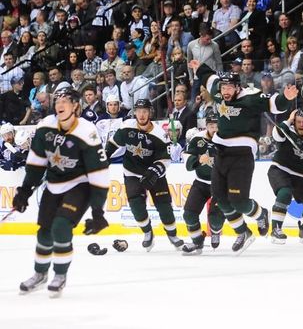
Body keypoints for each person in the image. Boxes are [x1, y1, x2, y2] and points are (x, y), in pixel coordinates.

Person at [191, 63, 297, 253]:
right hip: (221, 152)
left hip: (242, 155)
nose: (225, 91)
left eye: (229, 87)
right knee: (221, 200)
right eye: (223, 88)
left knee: (239, 201)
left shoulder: (251, 97)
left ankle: (261, 213)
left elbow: (274, 103)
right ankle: (243, 232)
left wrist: (285, 98)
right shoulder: (218, 91)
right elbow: (209, 79)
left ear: (238, 87)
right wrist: (199, 67)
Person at [14, 88, 109, 297]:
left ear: (75, 106)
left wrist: (98, 211)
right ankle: (40, 274)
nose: (60, 104)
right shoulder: (45, 126)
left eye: (66, 101)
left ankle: (60, 274)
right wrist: (24, 190)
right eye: (57, 100)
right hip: (54, 185)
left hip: (80, 185)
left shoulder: (87, 132)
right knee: (44, 233)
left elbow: (99, 173)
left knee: (61, 226)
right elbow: (36, 163)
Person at [105, 99, 183, 251]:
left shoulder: (160, 133)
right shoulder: (127, 127)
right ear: (135, 112)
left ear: (150, 113)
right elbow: (113, 143)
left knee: (164, 206)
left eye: (145, 111)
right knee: (136, 205)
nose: (141, 115)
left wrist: (154, 171)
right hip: (132, 172)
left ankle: (172, 235)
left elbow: (165, 159)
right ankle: (148, 233)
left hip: (154, 174)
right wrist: (105, 156)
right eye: (139, 111)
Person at [268, 109, 303, 244]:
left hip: (300, 176)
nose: (301, 124)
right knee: (284, 194)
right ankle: (276, 230)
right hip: (280, 170)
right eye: (298, 122)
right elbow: (276, 135)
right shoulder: (287, 132)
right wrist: (288, 120)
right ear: (294, 122)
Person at [180, 114, 231, 254]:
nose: (214, 129)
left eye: (216, 126)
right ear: (206, 126)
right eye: (211, 126)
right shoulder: (197, 139)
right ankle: (197, 242)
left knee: (214, 219)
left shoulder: (227, 139)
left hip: (220, 184)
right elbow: (188, 163)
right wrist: (197, 160)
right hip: (201, 182)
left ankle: (215, 231)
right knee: (189, 214)